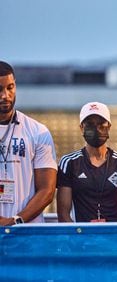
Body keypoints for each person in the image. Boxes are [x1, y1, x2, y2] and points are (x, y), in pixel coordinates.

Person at [56, 102, 117, 222]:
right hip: (82, 238)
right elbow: (63, 214)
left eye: (101, 124)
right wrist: (78, 239)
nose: (96, 129)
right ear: (81, 127)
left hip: (115, 238)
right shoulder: (69, 163)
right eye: (90, 124)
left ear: (109, 126)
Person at [0, 61, 58, 226]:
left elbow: (47, 190)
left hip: (27, 234)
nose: (5, 95)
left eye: (10, 87)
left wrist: (16, 221)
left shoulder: (37, 131)